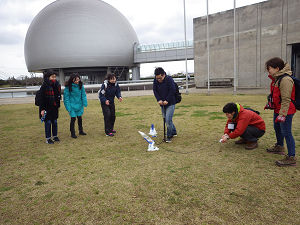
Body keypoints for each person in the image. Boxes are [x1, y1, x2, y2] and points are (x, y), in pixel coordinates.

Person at [264, 57, 296, 166]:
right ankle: (279, 146)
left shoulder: (285, 79)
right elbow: (277, 95)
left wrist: (282, 114)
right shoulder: (277, 79)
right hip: (278, 109)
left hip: (285, 110)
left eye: (269, 69)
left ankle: (291, 157)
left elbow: (286, 99)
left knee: (287, 132)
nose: (268, 71)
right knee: (277, 128)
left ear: (277, 68)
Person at [153, 67, 177, 143]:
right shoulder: (155, 80)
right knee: (167, 119)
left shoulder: (169, 79)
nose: (158, 80)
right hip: (162, 103)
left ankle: (169, 136)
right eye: (157, 78)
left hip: (170, 102)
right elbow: (155, 90)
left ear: (163, 75)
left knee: (168, 120)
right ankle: (174, 131)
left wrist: (167, 100)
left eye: (160, 78)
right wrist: (158, 99)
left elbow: (172, 90)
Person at [39, 70, 61, 144]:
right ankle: (48, 139)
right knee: (48, 122)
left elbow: (58, 96)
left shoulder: (56, 85)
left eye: (55, 76)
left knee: (54, 122)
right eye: (52, 77)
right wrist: (42, 109)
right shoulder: (44, 86)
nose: (54, 78)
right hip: (46, 107)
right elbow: (41, 99)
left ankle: (55, 136)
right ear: (48, 77)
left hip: (54, 107)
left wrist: (58, 104)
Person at [63, 73, 88, 138]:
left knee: (79, 118)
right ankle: (72, 133)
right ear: (72, 80)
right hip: (72, 106)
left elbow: (83, 95)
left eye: (78, 80)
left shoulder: (81, 86)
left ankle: (81, 131)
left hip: (79, 105)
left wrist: (85, 102)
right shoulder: (68, 87)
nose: (77, 81)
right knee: (73, 119)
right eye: (75, 80)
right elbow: (66, 98)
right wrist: (68, 107)